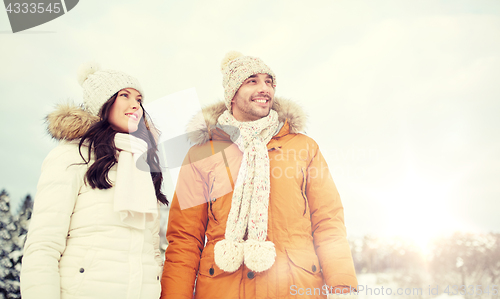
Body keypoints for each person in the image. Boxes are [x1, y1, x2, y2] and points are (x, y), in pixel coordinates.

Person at [161, 52, 358, 299]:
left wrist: (341, 281)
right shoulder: (202, 153)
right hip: (223, 288)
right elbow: (185, 236)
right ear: (232, 93)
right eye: (252, 81)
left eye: (269, 82)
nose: (264, 88)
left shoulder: (304, 147)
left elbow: (327, 219)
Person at [20, 62, 168, 299]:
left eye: (139, 99)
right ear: (103, 102)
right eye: (124, 95)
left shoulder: (142, 164)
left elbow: (151, 252)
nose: (135, 105)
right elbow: (43, 246)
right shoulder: (71, 156)